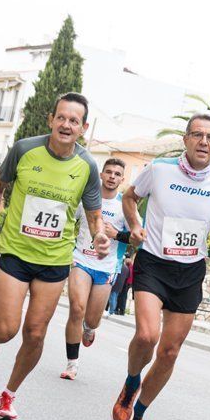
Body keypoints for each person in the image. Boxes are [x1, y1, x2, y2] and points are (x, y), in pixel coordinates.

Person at [0, 92, 110, 420]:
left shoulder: (87, 166)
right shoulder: (24, 149)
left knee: (35, 333)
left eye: (74, 120)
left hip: (55, 258)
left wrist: (100, 233)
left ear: (83, 127)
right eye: (61, 117)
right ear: (51, 120)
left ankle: (8, 394)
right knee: (7, 329)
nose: (66, 124)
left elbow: (93, 213)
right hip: (16, 251)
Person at [112, 113, 210, 420]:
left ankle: (138, 415)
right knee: (146, 336)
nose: (203, 141)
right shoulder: (160, 169)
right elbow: (129, 197)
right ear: (185, 140)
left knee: (169, 352)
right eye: (197, 135)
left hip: (190, 271)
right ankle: (130, 381)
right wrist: (135, 223)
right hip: (153, 262)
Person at [60, 158, 129, 380]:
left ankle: (89, 329)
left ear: (122, 179)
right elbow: (68, 221)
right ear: (101, 174)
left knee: (92, 319)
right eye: (108, 172)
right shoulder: (88, 200)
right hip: (81, 261)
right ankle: (72, 363)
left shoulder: (124, 207)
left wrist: (116, 234)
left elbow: (138, 237)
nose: (112, 176)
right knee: (76, 309)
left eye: (117, 174)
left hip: (107, 267)